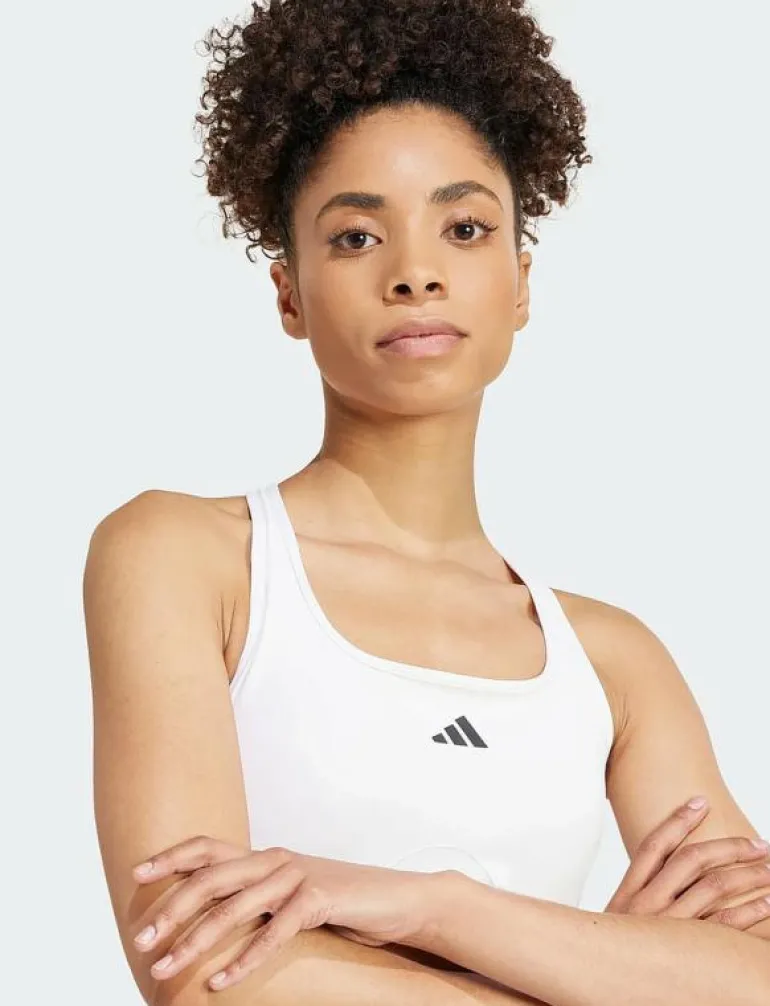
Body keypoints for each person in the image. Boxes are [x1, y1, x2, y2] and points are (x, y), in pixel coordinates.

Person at [83, 1, 770, 1004]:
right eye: (356, 236)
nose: (414, 274)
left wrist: (441, 908)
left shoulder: (614, 661)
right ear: (288, 293)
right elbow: (204, 974)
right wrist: (603, 967)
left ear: (519, 283)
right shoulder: (185, 557)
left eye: (464, 228)